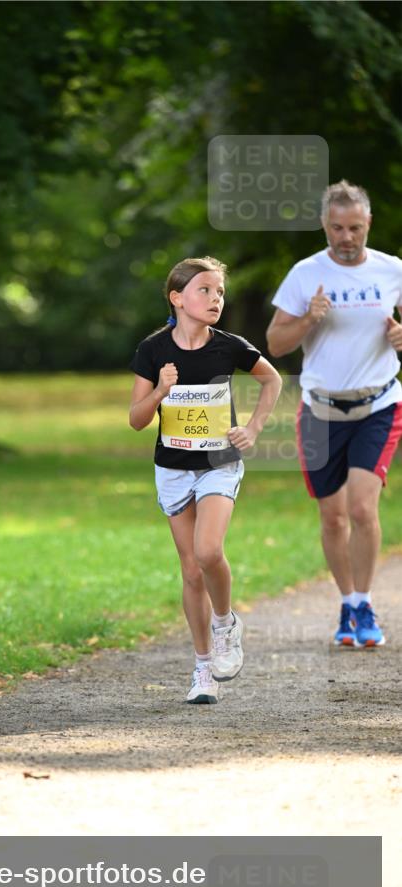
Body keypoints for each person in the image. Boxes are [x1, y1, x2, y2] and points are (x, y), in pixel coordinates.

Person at [129, 257, 282, 704]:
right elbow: (137, 420)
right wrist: (160, 391)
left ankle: (225, 624)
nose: (215, 299)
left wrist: (252, 428)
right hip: (173, 468)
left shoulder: (230, 346)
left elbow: (272, 381)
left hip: (219, 461)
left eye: (219, 292)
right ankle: (202, 669)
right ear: (177, 298)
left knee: (208, 550)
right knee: (191, 570)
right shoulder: (153, 351)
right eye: (205, 290)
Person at [267, 180, 402, 648]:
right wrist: (309, 319)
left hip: (378, 405)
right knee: (333, 517)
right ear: (325, 225)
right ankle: (346, 603)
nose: (347, 238)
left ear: (368, 225)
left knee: (363, 507)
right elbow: (276, 342)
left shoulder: (392, 270)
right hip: (320, 410)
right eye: (338, 228)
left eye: (356, 228)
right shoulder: (306, 274)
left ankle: (364, 602)